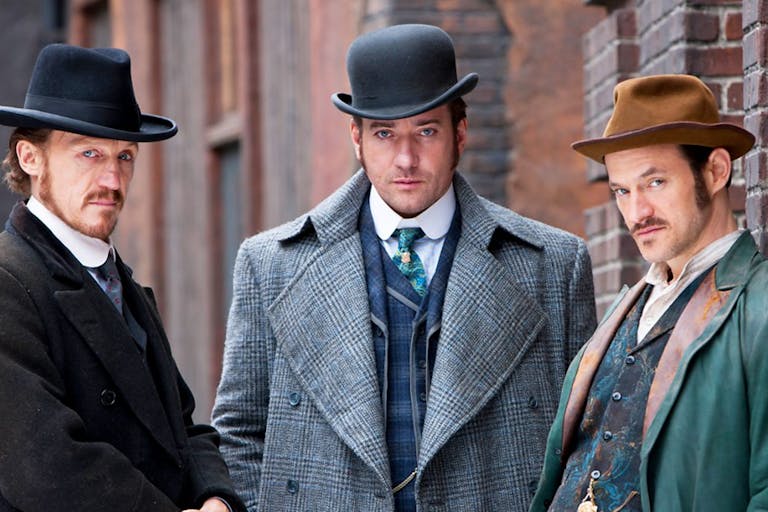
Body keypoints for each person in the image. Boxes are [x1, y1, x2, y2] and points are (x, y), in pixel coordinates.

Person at [212, 23, 596, 511]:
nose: (406, 158)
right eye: (385, 133)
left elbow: (586, 441)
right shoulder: (271, 266)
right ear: (357, 138)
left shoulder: (552, 266)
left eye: (427, 131)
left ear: (461, 133)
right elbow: (239, 436)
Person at [0, 44, 245, 512]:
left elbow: (184, 428)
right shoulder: (9, 279)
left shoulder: (118, 282)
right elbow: (46, 467)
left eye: (125, 157)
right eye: (89, 153)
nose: (112, 180)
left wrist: (216, 498)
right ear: (30, 157)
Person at [530, 74, 767, 511]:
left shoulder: (759, 305)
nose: (637, 212)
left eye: (655, 182)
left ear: (715, 171)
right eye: (622, 191)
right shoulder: (626, 309)